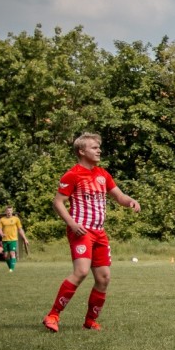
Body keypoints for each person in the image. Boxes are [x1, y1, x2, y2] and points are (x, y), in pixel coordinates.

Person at [42, 133, 140, 332]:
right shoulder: (73, 174)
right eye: (94, 148)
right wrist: (71, 223)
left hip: (99, 233)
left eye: (99, 147)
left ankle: (90, 321)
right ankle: (52, 315)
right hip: (82, 231)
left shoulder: (103, 174)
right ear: (81, 151)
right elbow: (58, 202)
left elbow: (118, 196)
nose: (99, 151)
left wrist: (130, 201)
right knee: (81, 271)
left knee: (104, 278)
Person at [0, 206, 30, 271]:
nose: (9, 212)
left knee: (12, 253)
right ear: (5, 212)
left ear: (12, 211)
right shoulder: (2, 219)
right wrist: (1, 234)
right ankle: (10, 267)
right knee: (6, 256)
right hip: (5, 240)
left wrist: (25, 239)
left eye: (10, 210)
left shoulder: (16, 219)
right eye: (8, 211)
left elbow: (20, 229)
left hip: (13, 239)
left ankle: (11, 269)